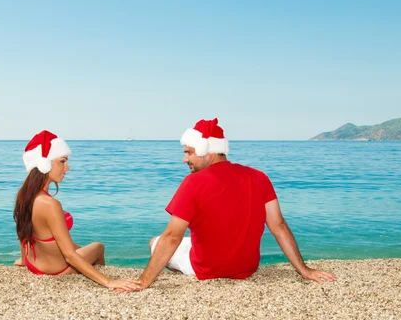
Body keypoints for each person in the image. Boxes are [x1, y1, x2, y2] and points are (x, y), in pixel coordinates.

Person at [130, 118, 336, 291]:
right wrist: (304, 270)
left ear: (207, 151)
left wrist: (144, 281)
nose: (184, 159)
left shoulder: (192, 183)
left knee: (155, 242)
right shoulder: (259, 177)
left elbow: (172, 237)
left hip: (206, 271)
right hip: (248, 268)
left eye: (189, 152)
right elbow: (278, 226)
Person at [13, 130, 140, 291]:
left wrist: (24, 261)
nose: (67, 169)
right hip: (56, 269)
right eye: (62, 162)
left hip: (33, 263)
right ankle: (100, 278)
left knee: (78, 246)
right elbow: (69, 256)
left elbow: (23, 234)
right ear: (45, 163)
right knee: (98, 246)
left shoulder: (24, 195)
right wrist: (109, 282)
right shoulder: (50, 204)